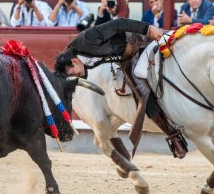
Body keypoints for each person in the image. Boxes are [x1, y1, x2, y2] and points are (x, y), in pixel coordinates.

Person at [54, 19, 187, 159]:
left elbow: (118, 24)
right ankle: (174, 138)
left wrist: (148, 28)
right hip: (126, 59)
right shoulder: (77, 60)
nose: (77, 76)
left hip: (141, 42)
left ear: (74, 62)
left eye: (74, 73)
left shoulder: (88, 39)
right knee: (142, 95)